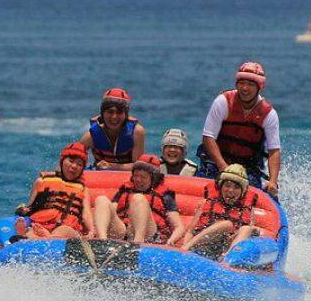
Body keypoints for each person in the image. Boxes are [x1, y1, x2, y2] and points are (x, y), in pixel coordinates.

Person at [194, 62, 281, 197]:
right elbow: (208, 137)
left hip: (247, 169)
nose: (245, 88)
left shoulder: (269, 114)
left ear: (260, 87)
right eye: (241, 83)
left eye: (251, 84)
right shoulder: (223, 102)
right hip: (215, 163)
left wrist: (273, 182)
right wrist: (224, 168)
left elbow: (274, 151)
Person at [92, 154, 184, 244]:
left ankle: (137, 244)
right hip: (124, 232)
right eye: (136, 176)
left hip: (149, 235)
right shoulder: (125, 189)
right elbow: (110, 210)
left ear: (154, 178)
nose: (138, 180)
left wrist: (170, 242)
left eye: (143, 177)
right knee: (101, 200)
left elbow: (179, 227)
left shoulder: (165, 195)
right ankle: (102, 241)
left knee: (138, 198)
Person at [14, 142, 95, 239]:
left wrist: (91, 230)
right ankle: (29, 235)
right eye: (71, 161)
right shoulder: (41, 181)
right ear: (62, 161)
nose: (74, 166)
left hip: (68, 227)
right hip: (42, 223)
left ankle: (46, 238)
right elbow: (30, 207)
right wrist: (23, 211)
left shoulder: (83, 189)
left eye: (79, 164)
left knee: (63, 230)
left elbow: (86, 213)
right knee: (33, 230)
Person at [181, 164, 259, 259]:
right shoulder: (206, 203)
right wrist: (185, 247)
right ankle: (188, 248)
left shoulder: (248, 210)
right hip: (201, 246)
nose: (230, 190)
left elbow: (247, 234)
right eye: (227, 185)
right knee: (227, 224)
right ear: (221, 187)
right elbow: (190, 231)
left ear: (242, 191)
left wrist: (253, 230)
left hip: (225, 250)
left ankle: (228, 260)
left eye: (236, 187)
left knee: (247, 229)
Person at [79, 88, 146, 170]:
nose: (114, 117)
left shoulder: (136, 132)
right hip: (100, 175)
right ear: (102, 113)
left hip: (128, 177)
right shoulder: (91, 136)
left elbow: (138, 167)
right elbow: (73, 158)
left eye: (119, 112)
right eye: (110, 112)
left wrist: (111, 166)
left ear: (126, 115)